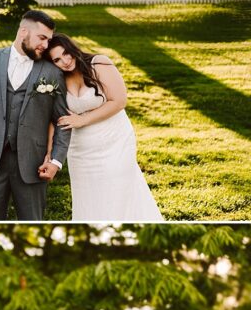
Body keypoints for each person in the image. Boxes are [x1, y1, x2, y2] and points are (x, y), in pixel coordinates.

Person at [0, 10, 71, 221]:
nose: (45, 45)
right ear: (23, 32)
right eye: (42, 38)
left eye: (48, 40)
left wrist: (56, 161)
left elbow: (62, 121)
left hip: (34, 164)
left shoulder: (52, 72)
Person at [44, 34, 163, 222]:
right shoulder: (57, 80)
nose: (65, 61)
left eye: (66, 53)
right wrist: (49, 153)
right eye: (57, 60)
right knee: (89, 199)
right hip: (80, 150)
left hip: (114, 141)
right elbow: (55, 119)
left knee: (119, 191)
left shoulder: (98, 63)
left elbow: (119, 101)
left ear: (72, 48)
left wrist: (83, 120)